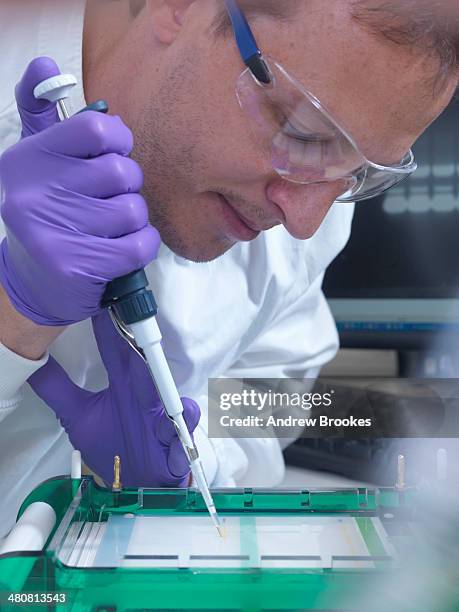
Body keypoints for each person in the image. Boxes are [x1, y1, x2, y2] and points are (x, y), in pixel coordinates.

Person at [0, 0, 457, 540]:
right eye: (303, 132)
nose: (304, 223)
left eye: (357, 175)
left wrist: (197, 463)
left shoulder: (313, 204)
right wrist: (13, 319)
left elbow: (275, 389)